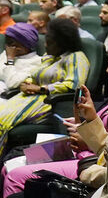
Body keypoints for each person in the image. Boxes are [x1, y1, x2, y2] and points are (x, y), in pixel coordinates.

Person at [0, 18, 88, 157]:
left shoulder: (76, 57)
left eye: (50, 42)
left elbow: (74, 84)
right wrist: (26, 84)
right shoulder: (50, 57)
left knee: (1, 121)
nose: (45, 45)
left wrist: (42, 89)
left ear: (62, 43)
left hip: (48, 102)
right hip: (27, 96)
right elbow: (35, 76)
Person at [0, 22, 44, 96]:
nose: (8, 47)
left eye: (12, 44)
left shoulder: (36, 62)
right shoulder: (6, 53)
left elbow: (12, 83)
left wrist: (10, 59)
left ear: (25, 45)